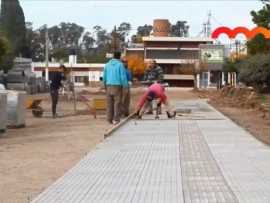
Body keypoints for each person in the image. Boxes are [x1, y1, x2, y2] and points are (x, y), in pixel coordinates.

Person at [103, 52, 128, 124]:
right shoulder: (120, 65)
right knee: (117, 103)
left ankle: (109, 119)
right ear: (119, 57)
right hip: (117, 86)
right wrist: (125, 86)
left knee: (109, 103)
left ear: (113, 56)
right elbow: (123, 77)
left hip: (108, 85)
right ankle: (116, 119)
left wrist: (104, 85)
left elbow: (104, 76)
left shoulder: (107, 65)